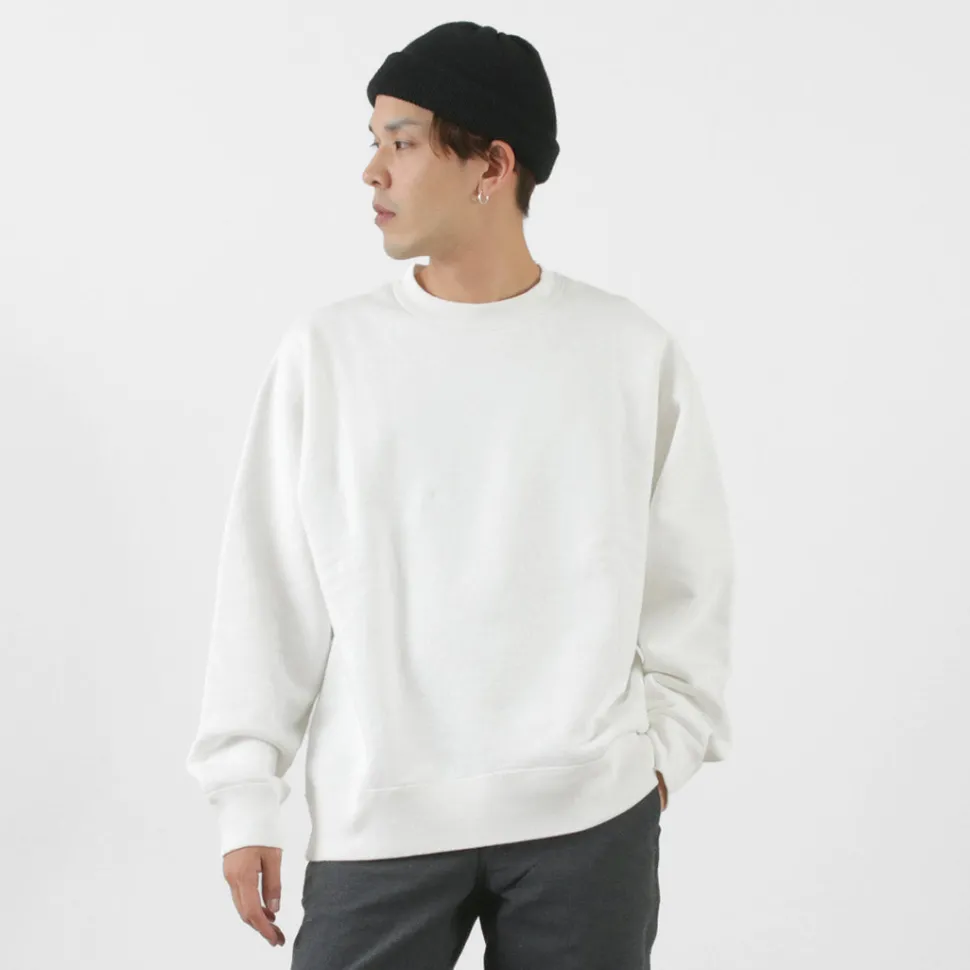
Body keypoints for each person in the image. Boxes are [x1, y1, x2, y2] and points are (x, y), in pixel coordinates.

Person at [185, 20, 734, 970]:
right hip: (381, 820)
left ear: (493, 164)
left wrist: (661, 759)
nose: (372, 171)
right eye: (374, 142)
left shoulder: (625, 352)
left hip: (587, 823)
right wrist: (245, 794)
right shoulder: (330, 354)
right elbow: (267, 585)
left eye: (401, 142)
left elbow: (691, 580)